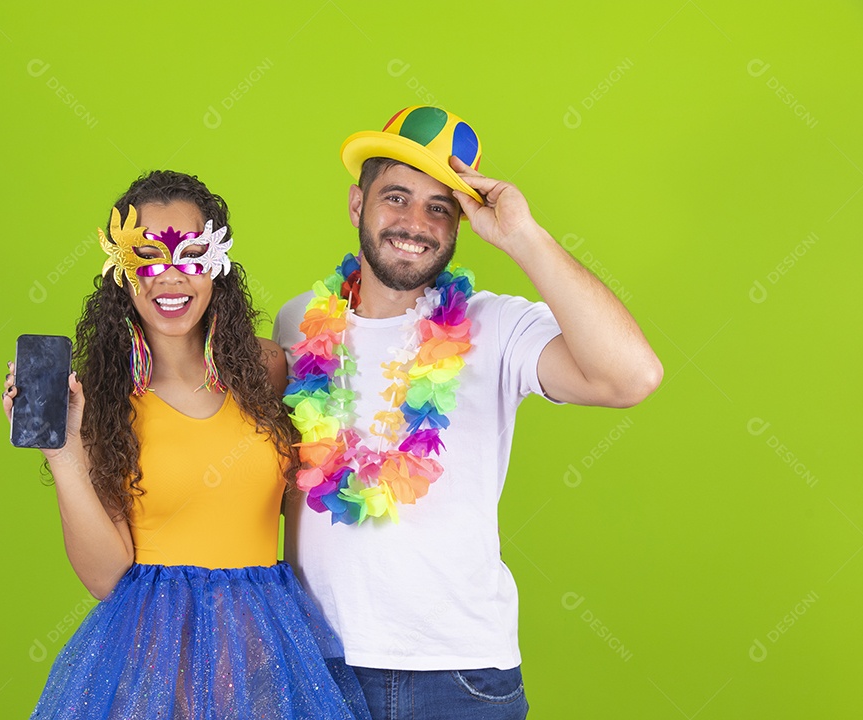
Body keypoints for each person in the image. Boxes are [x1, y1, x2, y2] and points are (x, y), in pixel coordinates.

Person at [273, 106, 663, 718]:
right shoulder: (299, 322)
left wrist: (523, 237)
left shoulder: (496, 324)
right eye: (395, 197)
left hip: (460, 678)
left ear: (461, 221)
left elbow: (632, 376)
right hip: (317, 667)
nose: (415, 223)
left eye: (439, 207)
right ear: (357, 205)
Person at [3, 170, 371, 719]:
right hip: (157, 663)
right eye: (148, 257)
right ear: (122, 274)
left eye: (190, 255)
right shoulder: (103, 403)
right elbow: (107, 576)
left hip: (268, 648)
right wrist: (64, 455)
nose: (169, 278)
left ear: (217, 266)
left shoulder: (268, 370)